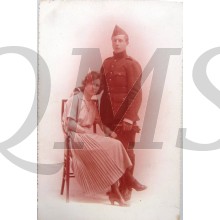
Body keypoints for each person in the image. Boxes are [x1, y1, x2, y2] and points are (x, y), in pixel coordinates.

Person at [62, 71, 144, 206]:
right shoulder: (76, 99)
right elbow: (70, 124)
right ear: (85, 84)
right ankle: (123, 184)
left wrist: (110, 133)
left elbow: (100, 124)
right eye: (91, 84)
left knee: (116, 144)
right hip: (76, 138)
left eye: (97, 85)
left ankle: (118, 188)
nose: (93, 88)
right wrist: (84, 132)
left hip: (87, 137)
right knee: (107, 150)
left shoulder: (93, 104)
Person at [100, 25, 147, 201]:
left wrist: (129, 117)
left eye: (121, 40)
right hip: (108, 116)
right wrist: (82, 89)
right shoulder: (106, 63)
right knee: (113, 152)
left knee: (127, 152)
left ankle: (127, 187)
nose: (117, 43)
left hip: (125, 117)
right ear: (111, 42)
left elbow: (136, 93)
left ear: (127, 43)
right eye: (115, 40)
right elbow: (101, 87)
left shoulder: (132, 64)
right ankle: (117, 188)